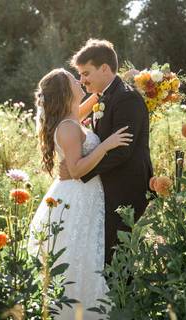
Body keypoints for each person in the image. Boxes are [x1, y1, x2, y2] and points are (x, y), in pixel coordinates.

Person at [27, 68, 132, 319]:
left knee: (86, 254)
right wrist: (106, 145)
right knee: (79, 255)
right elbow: (75, 170)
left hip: (85, 196)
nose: (80, 80)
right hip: (77, 197)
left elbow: (90, 103)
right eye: (74, 79)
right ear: (65, 90)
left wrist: (118, 82)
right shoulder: (68, 128)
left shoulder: (71, 117)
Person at [60, 39, 153, 266]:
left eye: (86, 73)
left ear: (104, 68)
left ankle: (122, 300)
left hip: (126, 189)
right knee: (107, 254)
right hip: (110, 188)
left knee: (118, 256)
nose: (82, 80)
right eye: (80, 75)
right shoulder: (105, 96)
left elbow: (122, 150)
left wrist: (80, 170)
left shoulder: (127, 98)